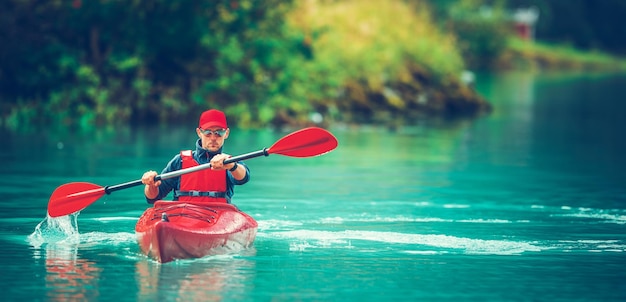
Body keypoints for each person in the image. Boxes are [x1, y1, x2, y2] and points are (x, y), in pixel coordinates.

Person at [141, 109, 250, 204]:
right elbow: (153, 197)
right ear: (199, 132)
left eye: (218, 133)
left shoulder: (229, 162)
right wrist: (150, 185)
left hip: (217, 218)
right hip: (182, 217)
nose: (213, 138)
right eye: (208, 132)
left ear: (226, 133)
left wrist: (232, 166)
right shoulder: (180, 161)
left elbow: (244, 178)